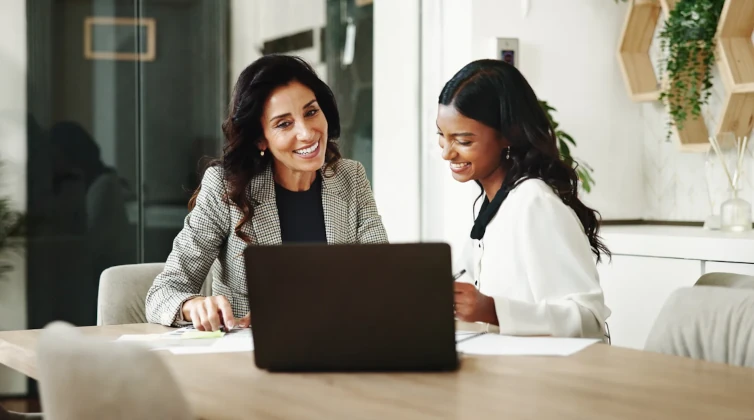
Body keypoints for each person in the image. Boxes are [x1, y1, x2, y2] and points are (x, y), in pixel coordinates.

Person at [145, 55, 388, 331]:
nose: (307, 134)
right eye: (284, 124)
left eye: (311, 112)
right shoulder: (225, 189)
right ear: (261, 138)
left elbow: (381, 281)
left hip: (335, 352)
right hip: (250, 361)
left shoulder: (350, 177)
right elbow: (163, 292)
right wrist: (194, 306)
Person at [436, 59, 610, 339]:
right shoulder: (491, 204)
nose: (447, 152)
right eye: (442, 137)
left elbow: (588, 319)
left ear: (507, 135)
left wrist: (491, 309)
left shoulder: (534, 202)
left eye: (464, 141)